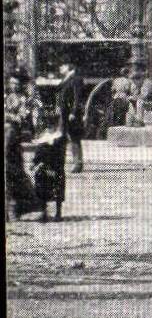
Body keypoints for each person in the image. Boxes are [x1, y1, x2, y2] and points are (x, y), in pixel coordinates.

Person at [29, 78, 67, 222]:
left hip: (55, 142)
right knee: (42, 175)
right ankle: (44, 210)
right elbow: (37, 126)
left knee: (56, 175)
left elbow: (60, 126)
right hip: (45, 141)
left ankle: (57, 211)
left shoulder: (58, 107)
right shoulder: (40, 106)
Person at [5, 73, 39, 220]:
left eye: (17, 83)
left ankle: (15, 210)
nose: (14, 86)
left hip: (12, 139)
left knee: (14, 173)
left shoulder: (23, 100)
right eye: (12, 83)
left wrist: (8, 116)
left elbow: (22, 117)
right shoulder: (6, 97)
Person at [58, 63, 86, 173]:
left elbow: (77, 97)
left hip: (71, 114)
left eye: (63, 65)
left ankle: (78, 163)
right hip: (65, 113)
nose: (60, 68)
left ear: (70, 67)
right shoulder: (66, 79)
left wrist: (74, 112)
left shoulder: (76, 79)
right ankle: (70, 162)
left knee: (75, 137)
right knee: (65, 137)